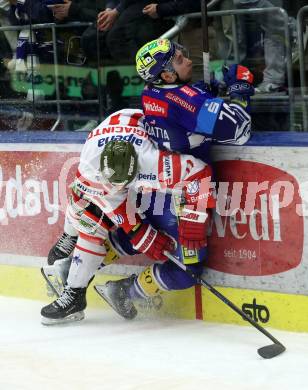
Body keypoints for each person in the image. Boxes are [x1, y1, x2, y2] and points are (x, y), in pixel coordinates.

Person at [93, 38, 255, 318]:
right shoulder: (185, 102)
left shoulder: (151, 92)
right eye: (181, 60)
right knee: (186, 271)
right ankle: (124, 291)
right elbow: (240, 129)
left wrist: (207, 92)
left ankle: (74, 270)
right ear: (167, 74)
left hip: (157, 191)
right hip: (186, 199)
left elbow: (183, 101)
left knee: (132, 239)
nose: (189, 61)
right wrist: (240, 90)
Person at [41, 108, 215, 325]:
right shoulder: (89, 165)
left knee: (186, 266)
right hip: (110, 143)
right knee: (91, 216)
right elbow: (114, 204)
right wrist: (141, 234)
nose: (118, 188)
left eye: (124, 183)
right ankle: (73, 271)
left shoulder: (151, 161)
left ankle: (80, 270)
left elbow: (200, 173)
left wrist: (194, 218)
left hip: (143, 138)